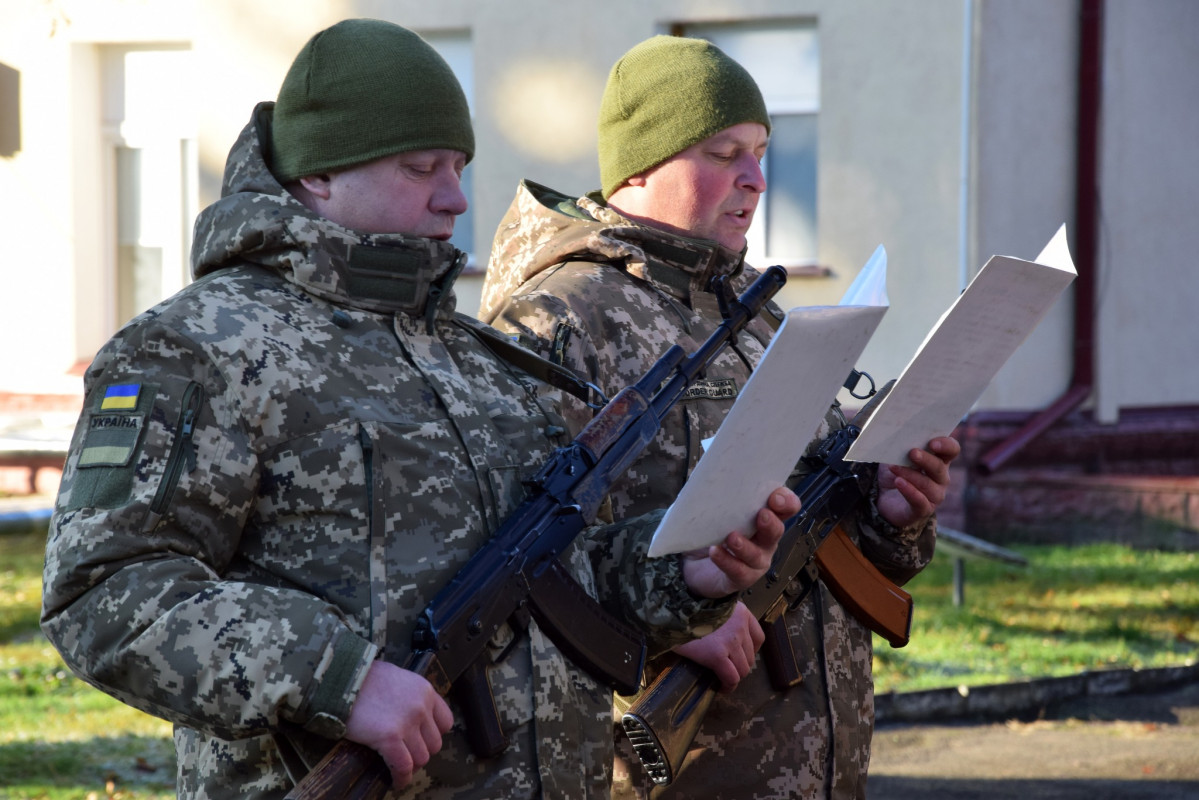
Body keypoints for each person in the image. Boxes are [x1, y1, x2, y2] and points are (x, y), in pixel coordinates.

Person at [39, 21, 799, 800]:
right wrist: (333, 676)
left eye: (458, 167)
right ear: (318, 173)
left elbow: (558, 579)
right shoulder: (197, 345)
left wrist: (681, 572)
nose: (454, 197)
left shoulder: (471, 355)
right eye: (420, 167)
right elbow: (102, 592)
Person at [478, 35, 961, 800]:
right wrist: (678, 608)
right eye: (724, 153)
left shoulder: (751, 314)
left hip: (815, 767)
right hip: (680, 770)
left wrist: (889, 512)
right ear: (640, 165)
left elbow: (812, 523)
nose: (757, 179)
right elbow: (518, 564)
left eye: (761, 152)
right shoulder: (558, 318)